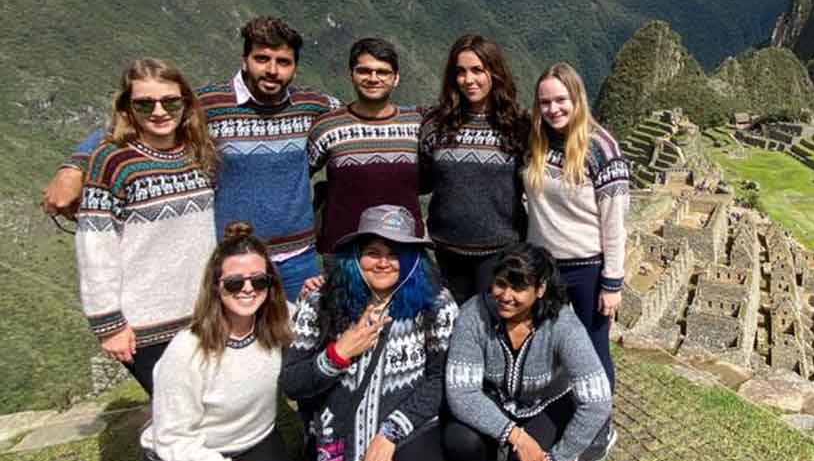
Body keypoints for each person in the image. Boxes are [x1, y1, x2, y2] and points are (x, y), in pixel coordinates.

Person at [43, 16, 339, 302]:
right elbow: (129, 124)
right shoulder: (208, 104)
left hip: (297, 261)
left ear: (295, 68)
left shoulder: (312, 106)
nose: (272, 70)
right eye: (262, 59)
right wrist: (74, 168)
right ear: (245, 60)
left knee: (297, 334)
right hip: (229, 259)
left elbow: (355, 116)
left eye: (283, 62)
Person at [282, 205, 457, 461]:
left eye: (395, 253)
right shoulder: (320, 300)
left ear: (412, 258)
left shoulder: (436, 304)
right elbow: (292, 383)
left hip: (405, 429)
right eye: (373, 252)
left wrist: (391, 432)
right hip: (334, 433)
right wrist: (338, 354)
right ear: (355, 256)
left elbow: (439, 379)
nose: (383, 262)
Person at [139, 222, 307, 461]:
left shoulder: (278, 323)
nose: (248, 289)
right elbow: (171, 437)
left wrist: (318, 293)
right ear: (216, 286)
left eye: (259, 281)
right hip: (188, 453)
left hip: (255, 442)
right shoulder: (188, 351)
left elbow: (315, 325)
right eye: (234, 283)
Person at [75, 58, 219, 395]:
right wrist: (108, 324)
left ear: (186, 103)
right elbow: (95, 246)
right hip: (146, 324)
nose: (159, 111)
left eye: (170, 102)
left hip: (204, 313)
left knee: (212, 404)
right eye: (144, 104)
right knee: (178, 410)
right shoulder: (112, 161)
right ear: (128, 108)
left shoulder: (198, 154)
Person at [444, 244, 611, 461]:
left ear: (540, 289)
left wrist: (557, 459)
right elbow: (462, 393)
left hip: (545, 406)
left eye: (519, 288)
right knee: (460, 440)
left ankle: (562, 460)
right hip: (496, 400)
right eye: (500, 284)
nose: (506, 296)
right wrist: (517, 437)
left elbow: (597, 401)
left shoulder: (563, 325)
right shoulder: (474, 315)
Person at [523, 62, 629, 461]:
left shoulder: (601, 149)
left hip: (587, 269)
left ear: (576, 99)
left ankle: (599, 429)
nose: (553, 109)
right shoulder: (535, 142)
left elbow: (614, 223)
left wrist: (612, 283)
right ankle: (562, 417)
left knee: (593, 352)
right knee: (551, 349)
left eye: (561, 100)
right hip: (543, 269)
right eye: (545, 102)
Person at [419, 34, 529, 303]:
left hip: (500, 252)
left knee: (488, 320)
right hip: (445, 251)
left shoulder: (518, 126)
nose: (469, 80)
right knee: (450, 321)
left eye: (478, 70)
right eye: (461, 72)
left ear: (495, 72)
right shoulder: (436, 124)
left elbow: (533, 185)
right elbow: (422, 180)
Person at [308, 38, 424, 254]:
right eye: (364, 71)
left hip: (403, 248)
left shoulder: (416, 125)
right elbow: (298, 179)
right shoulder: (327, 127)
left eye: (383, 72)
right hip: (342, 251)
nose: (373, 78)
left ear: (396, 78)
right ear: (351, 74)